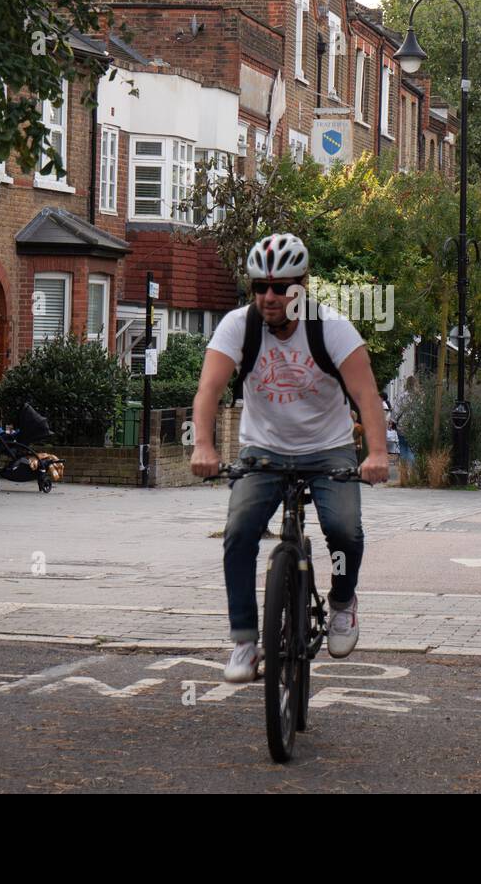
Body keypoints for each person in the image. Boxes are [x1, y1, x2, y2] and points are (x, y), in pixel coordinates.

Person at [189, 233, 389, 683]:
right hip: (263, 448)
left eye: (281, 287)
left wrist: (377, 454)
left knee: (343, 529)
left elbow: (366, 396)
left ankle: (342, 603)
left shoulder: (331, 328)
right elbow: (209, 391)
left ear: (302, 286)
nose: (270, 296)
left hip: (328, 447)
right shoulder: (237, 327)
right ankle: (244, 641)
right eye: (260, 287)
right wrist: (203, 445)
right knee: (239, 532)